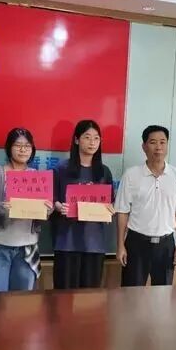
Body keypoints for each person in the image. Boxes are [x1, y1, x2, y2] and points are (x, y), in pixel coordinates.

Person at [0, 127, 53, 292]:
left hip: (27, 247)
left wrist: (48, 210)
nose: (23, 149)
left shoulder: (38, 177)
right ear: (9, 148)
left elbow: (43, 212)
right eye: (18, 145)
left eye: (27, 146)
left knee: (22, 302)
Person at [115, 125, 176, 287]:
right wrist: (120, 245)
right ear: (144, 146)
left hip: (166, 244)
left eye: (163, 142)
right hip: (136, 243)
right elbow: (122, 212)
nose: (158, 147)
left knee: (162, 296)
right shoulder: (131, 175)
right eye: (153, 142)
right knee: (131, 294)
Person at [51, 120, 115, 289]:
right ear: (77, 140)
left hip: (94, 243)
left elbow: (110, 202)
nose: (92, 142)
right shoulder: (61, 169)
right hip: (67, 241)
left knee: (90, 298)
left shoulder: (104, 171)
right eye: (87, 137)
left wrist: (110, 209)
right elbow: (51, 198)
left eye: (96, 138)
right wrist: (59, 206)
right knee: (64, 296)